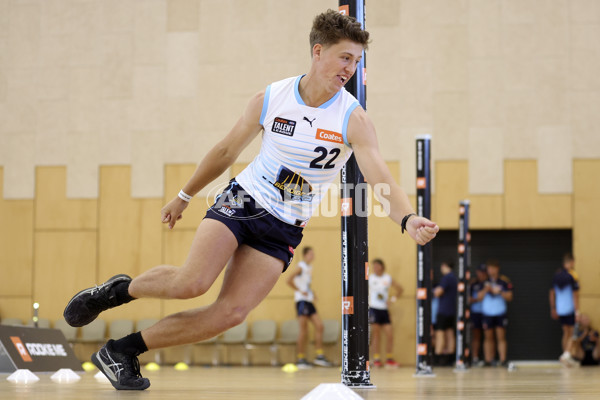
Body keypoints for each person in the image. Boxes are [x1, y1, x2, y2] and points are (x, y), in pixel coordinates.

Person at [62, 10, 439, 390]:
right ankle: (113, 292)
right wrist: (184, 195)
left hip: (286, 224)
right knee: (192, 283)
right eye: (345, 58)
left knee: (231, 314)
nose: (350, 69)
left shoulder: (353, 118)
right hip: (244, 201)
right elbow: (226, 151)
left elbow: (380, 178)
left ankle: (122, 351)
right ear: (318, 51)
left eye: (357, 61)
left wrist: (408, 220)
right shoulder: (272, 97)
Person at [286, 246, 332, 368]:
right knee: (304, 330)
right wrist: (300, 291)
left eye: (313, 254)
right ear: (305, 255)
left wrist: (312, 293)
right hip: (301, 301)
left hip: (308, 300)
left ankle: (319, 356)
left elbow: (305, 283)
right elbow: (288, 280)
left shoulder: (309, 267)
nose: (313, 256)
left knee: (319, 326)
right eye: (310, 254)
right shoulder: (301, 266)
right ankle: (301, 358)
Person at [368, 258, 403, 368]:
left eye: (377, 266)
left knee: (389, 334)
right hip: (373, 308)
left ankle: (389, 358)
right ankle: (376, 359)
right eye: (374, 266)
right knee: (376, 335)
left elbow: (400, 289)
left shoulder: (387, 278)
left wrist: (392, 300)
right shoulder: (370, 278)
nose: (375, 268)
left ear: (382, 267)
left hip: (384, 309)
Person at [479, 259, 513, 367]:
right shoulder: (484, 281)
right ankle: (488, 360)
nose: (491, 271)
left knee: (501, 337)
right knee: (488, 337)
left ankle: (503, 360)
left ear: (497, 269)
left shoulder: (504, 281)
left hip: (500, 312)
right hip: (487, 312)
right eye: (489, 268)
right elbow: (478, 297)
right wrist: (486, 290)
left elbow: (510, 297)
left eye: (493, 268)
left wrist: (500, 292)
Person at [550, 253, 580, 358]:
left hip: (560, 309)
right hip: (570, 308)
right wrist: (577, 311)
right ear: (571, 262)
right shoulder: (572, 275)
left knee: (565, 333)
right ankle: (567, 355)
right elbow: (575, 295)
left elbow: (551, 293)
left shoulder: (556, 275)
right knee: (572, 332)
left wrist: (553, 308)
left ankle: (564, 354)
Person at [433, 261, 458, 366]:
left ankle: (438, 357)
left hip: (443, 310)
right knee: (450, 333)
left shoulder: (446, 277)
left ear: (444, 266)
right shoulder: (454, 277)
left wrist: (434, 291)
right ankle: (450, 357)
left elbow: (438, 292)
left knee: (440, 333)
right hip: (451, 310)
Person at [469, 264, 487, 366]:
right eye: (480, 272)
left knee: (488, 336)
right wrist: (476, 299)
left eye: (484, 272)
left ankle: (488, 359)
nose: (482, 274)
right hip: (476, 313)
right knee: (476, 336)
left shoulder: (489, 283)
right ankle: (475, 358)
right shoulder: (473, 284)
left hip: (487, 313)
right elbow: (468, 298)